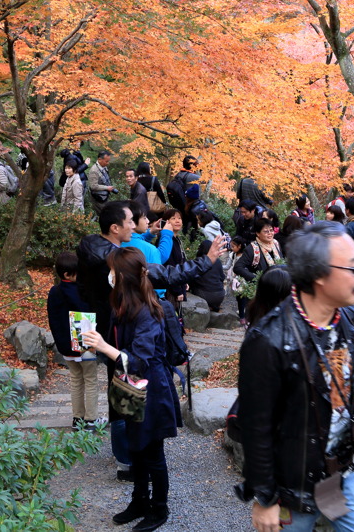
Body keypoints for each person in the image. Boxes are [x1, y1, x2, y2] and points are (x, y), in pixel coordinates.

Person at [237, 222, 354, 532]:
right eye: (353, 268)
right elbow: (256, 428)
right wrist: (265, 498)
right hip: (293, 486)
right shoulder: (268, 340)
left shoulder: (350, 319)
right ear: (319, 276)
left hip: (345, 473)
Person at [76, 201, 223, 481]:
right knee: (126, 389)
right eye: (131, 221)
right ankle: (131, 460)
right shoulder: (118, 263)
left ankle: (127, 459)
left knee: (119, 390)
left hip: (110, 330)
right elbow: (165, 273)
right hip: (120, 333)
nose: (135, 225)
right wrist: (208, 260)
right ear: (115, 227)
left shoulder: (92, 249)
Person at [82, 248, 183, 532]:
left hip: (152, 390)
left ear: (123, 276)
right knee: (135, 448)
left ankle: (159, 508)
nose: (109, 275)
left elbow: (140, 359)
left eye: (112, 271)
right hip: (129, 384)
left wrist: (103, 346)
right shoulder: (122, 304)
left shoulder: (149, 312)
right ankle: (139, 500)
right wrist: (96, 344)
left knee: (152, 452)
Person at [46, 252, 100, 430]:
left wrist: (61, 343)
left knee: (76, 380)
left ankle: (77, 419)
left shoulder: (55, 292)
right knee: (91, 380)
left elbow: (53, 319)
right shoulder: (82, 290)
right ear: (68, 274)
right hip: (86, 344)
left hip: (66, 345)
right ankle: (91, 419)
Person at [234, 218, 284, 326]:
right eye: (266, 231)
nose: (270, 233)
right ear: (257, 233)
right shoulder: (252, 249)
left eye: (271, 230)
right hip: (259, 294)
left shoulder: (275, 244)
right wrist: (256, 279)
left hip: (276, 291)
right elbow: (238, 267)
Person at [121, 202, 166, 299]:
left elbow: (135, 239)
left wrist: (150, 233)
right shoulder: (150, 249)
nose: (148, 221)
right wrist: (167, 234)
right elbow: (161, 260)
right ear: (132, 221)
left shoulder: (118, 242)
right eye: (144, 217)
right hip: (149, 299)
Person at [190, 239, 227, 312]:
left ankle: (209, 306)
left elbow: (192, 278)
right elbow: (222, 277)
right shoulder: (217, 261)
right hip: (220, 295)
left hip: (205, 295)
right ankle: (215, 306)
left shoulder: (198, 261)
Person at [89, 150, 115, 216]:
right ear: (100, 159)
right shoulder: (94, 170)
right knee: (104, 215)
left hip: (104, 196)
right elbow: (93, 186)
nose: (108, 163)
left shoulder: (104, 167)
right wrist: (107, 188)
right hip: (98, 198)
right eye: (106, 161)